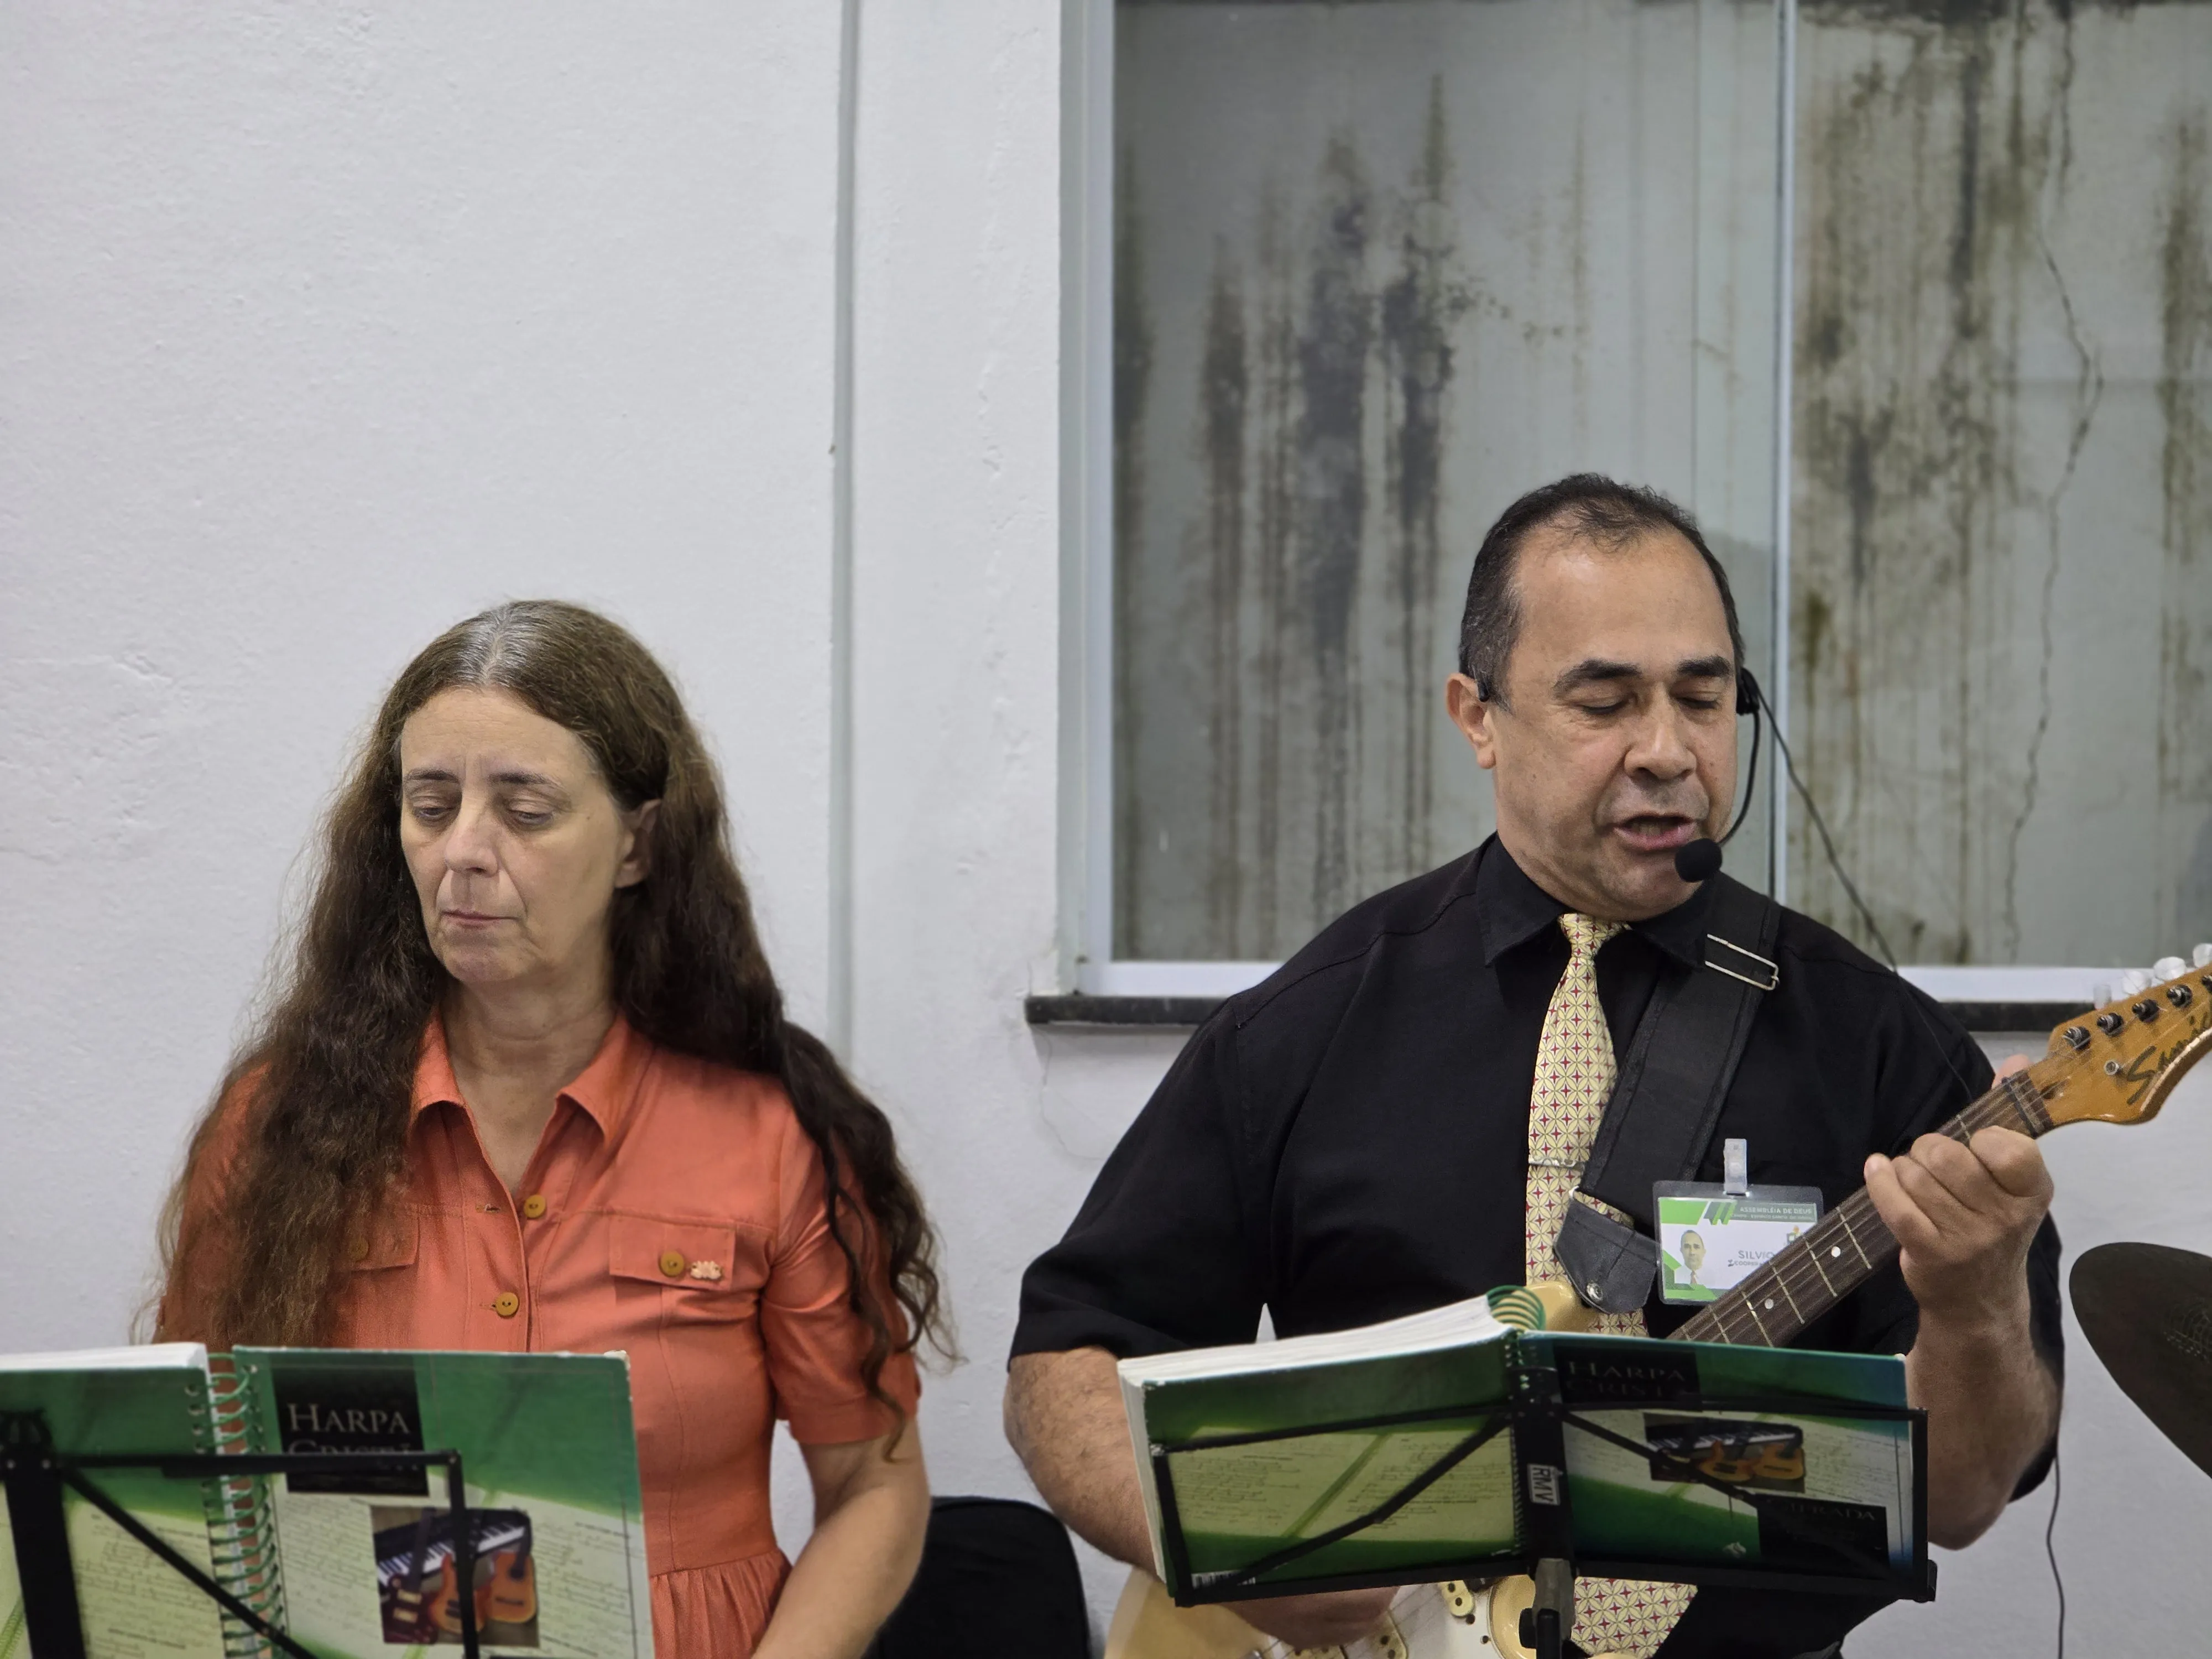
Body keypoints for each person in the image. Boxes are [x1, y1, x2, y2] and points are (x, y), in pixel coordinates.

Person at [1004, 476, 2063, 1659]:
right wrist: (1222, 1540)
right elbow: (1064, 1362)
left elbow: (1961, 1499)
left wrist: (1975, 1308)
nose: (1665, 752)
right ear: (1478, 717)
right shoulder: (1307, 1027)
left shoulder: (1878, 1044)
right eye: (1603, 702)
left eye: (1702, 699)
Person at [159, 601, 946, 1659]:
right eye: (431, 807)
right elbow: (190, 1473)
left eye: (525, 811)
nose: (463, 854)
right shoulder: (284, 1122)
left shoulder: (770, 1132)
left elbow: (874, 1487)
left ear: (638, 845)